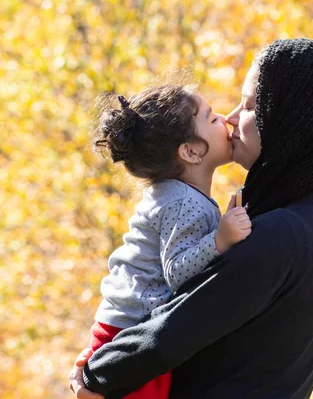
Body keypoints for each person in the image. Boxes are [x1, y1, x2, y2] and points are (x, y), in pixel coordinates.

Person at [69, 38, 313, 399]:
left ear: (290, 119)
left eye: (251, 106)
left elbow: (175, 329)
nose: (231, 118)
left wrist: (95, 374)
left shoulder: (280, 235)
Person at [82, 84, 253, 399]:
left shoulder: (177, 195)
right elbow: (178, 271)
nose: (225, 121)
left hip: (126, 331)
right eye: (212, 119)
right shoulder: (180, 201)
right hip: (131, 335)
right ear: (190, 151)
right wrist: (220, 239)